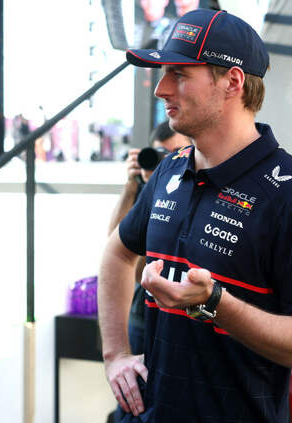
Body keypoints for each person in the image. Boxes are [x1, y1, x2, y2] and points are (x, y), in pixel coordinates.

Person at [98, 8, 292, 422]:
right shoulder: (170, 171)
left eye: (179, 74)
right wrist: (115, 355)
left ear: (233, 82)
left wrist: (214, 303)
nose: (161, 90)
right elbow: (116, 252)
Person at [106, 123, 190, 423]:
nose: (168, 161)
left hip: (182, 316)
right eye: (160, 153)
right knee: (133, 397)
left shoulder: (190, 189)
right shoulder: (146, 187)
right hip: (142, 311)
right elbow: (116, 244)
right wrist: (133, 184)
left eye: (175, 153)